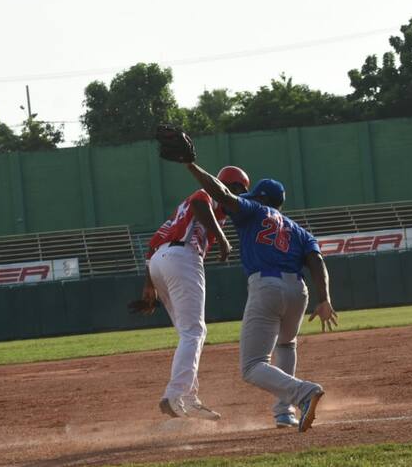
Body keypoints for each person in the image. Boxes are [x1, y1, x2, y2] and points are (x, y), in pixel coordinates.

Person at [183, 162, 338, 432]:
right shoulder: (299, 230)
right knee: (287, 346)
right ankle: (284, 413)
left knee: (253, 366)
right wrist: (324, 299)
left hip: (267, 285)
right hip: (298, 291)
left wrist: (191, 165)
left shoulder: (254, 209)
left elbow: (221, 194)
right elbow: (316, 261)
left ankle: (304, 393)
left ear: (263, 198)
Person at [142, 165, 250, 421]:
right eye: (238, 189)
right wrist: (221, 237)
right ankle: (174, 394)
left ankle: (189, 398)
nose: (238, 196)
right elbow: (202, 204)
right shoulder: (208, 194)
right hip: (183, 256)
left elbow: (154, 242)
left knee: (189, 333)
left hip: (160, 259)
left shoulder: (181, 211)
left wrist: (148, 284)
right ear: (228, 185)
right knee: (195, 332)